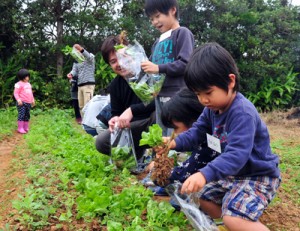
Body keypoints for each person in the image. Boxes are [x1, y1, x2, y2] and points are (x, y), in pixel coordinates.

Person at [159, 43, 281, 231]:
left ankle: (237, 219)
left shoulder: (242, 112)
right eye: (198, 94)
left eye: (208, 93)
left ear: (230, 81)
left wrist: (205, 173)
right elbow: (196, 132)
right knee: (201, 198)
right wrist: (173, 142)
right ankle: (234, 219)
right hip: (233, 176)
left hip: (257, 176)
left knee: (233, 217)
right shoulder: (212, 110)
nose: (203, 100)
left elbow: (237, 155)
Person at [95, 35, 155, 161]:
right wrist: (115, 119)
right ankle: (136, 155)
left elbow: (159, 101)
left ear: (130, 54)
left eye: (121, 57)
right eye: (113, 61)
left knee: (159, 115)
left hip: (152, 122)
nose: (119, 64)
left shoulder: (147, 72)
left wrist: (132, 110)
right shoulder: (115, 85)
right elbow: (116, 112)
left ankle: (160, 155)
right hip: (134, 128)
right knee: (101, 141)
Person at [141, 0, 194, 136]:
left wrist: (158, 68)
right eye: (151, 19)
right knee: (161, 134)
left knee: (174, 135)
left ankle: (176, 157)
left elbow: (185, 63)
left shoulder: (182, 33)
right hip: (159, 95)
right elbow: (150, 67)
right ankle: (163, 157)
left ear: (172, 10)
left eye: (157, 16)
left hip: (176, 95)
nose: (154, 22)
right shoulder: (157, 42)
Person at [67, 44, 95, 116]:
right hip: (80, 85)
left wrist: (81, 49)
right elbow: (74, 71)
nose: (77, 52)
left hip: (88, 85)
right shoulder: (77, 61)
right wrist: (71, 74)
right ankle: (84, 123)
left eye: (78, 51)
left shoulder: (90, 57)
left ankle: (89, 124)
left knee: (88, 105)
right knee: (81, 106)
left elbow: (88, 57)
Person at [13, 68, 35, 134]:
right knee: (21, 115)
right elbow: (15, 93)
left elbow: (31, 93)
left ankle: (25, 127)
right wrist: (18, 100)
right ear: (21, 77)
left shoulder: (28, 84)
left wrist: (33, 100)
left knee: (27, 115)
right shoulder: (18, 84)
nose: (27, 78)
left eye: (28, 76)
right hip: (21, 103)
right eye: (26, 76)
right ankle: (20, 128)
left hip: (28, 103)